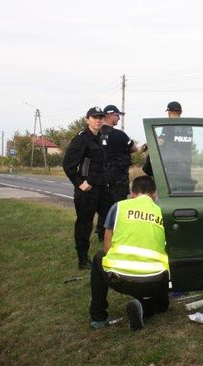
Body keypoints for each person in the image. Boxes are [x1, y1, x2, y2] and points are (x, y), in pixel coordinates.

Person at [89, 175, 170, 331]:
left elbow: (107, 246)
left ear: (132, 194)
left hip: (120, 280)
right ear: (154, 194)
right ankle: (145, 307)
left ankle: (98, 317)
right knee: (161, 307)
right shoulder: (162, 212)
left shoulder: (118, 208)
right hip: (154, 280)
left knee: (98, 257)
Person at [63, 107, 112, 269]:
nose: (98, 120)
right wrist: (80, 183)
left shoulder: (100, 137)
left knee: (110, 219)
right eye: (94, 117)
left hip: (102, 187)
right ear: (87, 119)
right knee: (85, 224)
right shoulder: (81, 139)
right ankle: (83, 260)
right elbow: (68, 165)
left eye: (100, 117)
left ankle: (110, 252)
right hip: (87, 189)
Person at [101, 104, 138, 203]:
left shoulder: (96, 134)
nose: (119, 118)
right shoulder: (119, 134)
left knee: (103, 211)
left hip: (100, 179)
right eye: (117, 115)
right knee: (118, 209)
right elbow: (134, 148)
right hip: (118, 179)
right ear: (111, 115)